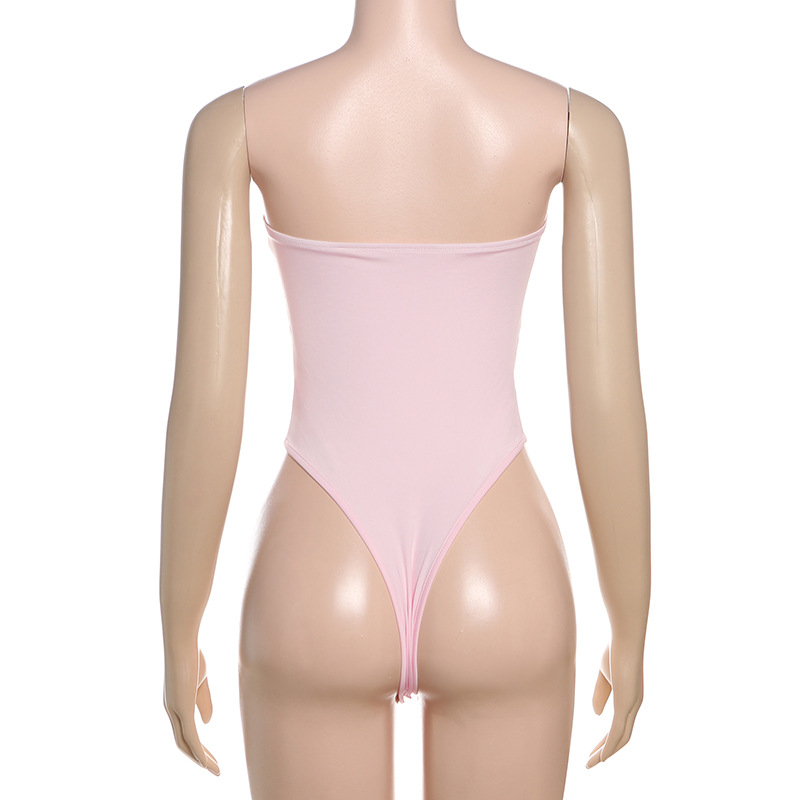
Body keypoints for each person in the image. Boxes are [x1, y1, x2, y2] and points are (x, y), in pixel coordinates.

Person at [160, 1, 651, 797]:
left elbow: (207, 403)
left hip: (316, 573)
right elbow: (607, 398)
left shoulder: (236, 127)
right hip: (501, 569)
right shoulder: (573, 127)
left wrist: (178, 623)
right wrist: (631, 620)